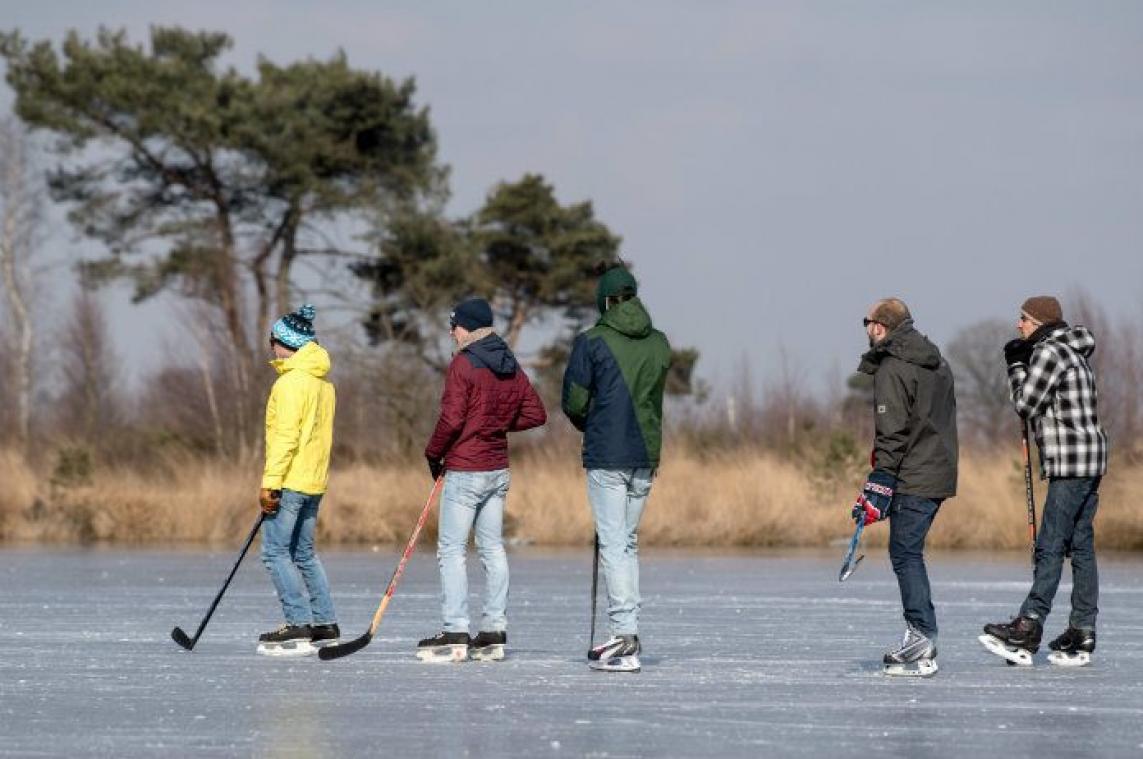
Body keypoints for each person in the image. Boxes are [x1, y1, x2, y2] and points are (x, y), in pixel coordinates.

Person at [979, 296, 1108, 667]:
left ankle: (1029, 625)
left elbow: (1025, 404)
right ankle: (1082, 630)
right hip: (1090, 460)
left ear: (1038, 322)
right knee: (1080, 545)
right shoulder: (1074, 350)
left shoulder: (1051, 353)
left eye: (1023, 319)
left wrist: (1016, 365)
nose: (1018, 325)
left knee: (1049, 544)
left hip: (1071, 464)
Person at [417, 297, 547, 663]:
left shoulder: (464, 363)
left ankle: (456, 630)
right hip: (497, 470)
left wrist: (432, 453)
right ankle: (493, 631)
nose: (450, 331)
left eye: (454, 325)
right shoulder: (508, 361)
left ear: (469, 327)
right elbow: (535, 413)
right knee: (492, 547)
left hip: (467, 469)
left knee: (452, 550)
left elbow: (453, 419)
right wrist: (496, 423)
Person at [561, 262, 671, 673]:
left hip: (608, 455)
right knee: (626, 543)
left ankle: (624, 635)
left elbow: (573, 399)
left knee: (613, 544)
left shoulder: (591, 342)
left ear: (605, 301)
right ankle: (627, 631)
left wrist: (590, 423)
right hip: (646, 455)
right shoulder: (660, 343)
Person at [852, 298, 958, 677]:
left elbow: (892, 432)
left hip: (915, 473)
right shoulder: (936, 362)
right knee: (907, 552)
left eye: (867, 323)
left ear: (880, 326)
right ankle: (921, 634)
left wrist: (880, 481)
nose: (866, 330)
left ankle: (921, 637)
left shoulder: (893, 367)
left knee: (905, 553)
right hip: (937, 469)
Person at [256, 304, 340, 655]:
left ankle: (298, 623)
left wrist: (269, 483)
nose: (271, 347)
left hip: (289, 482)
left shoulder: (290, 384)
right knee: (303, 553)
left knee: (275, 552)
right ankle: (324, 623)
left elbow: (286, 438)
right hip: (313, 483)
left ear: (283, 343)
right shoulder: (324, 385)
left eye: (273, 340)